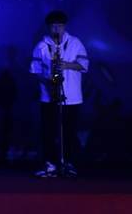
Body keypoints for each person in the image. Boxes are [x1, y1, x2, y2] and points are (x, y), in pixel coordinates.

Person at [30, 10, 88, 177]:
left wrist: (67, 65)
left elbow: (84, 65)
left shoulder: (75, 43)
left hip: (72, 97)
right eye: (53, 26)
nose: (56, 30)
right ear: (48, 27)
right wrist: (47, 82)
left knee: (70, 131)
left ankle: (68, 163)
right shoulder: (41, 46)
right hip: (48, 97)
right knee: (48, 132)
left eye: (60, 26)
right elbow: (35, 71)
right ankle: (50, 164)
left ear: (65, 26)